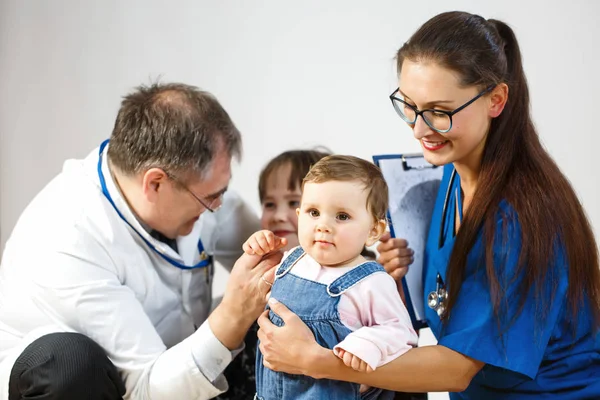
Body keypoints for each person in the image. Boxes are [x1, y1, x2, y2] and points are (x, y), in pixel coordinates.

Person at [255, 11, 600, 399]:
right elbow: (450, 303)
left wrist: (312, 360)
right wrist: (389, 282)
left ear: (496, 100)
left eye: (439, 111)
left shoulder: (517, 217)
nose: (419, 129)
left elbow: (456, 369)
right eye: (409, 105)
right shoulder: (454, 173)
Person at [0, 82, 281, 400]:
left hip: (173, 368)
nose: (219, 206)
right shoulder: (66, 237)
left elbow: (286, 268)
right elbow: (145, 388)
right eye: (210, 198)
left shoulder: (193, 188)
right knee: (68, 366)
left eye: (222, 192)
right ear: (156, 182)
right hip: (97, 384)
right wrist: (233, 314)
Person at [217, 149, 416, 400]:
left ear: (373, 230)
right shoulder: (292, 260)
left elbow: (400, 333)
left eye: (342, 216)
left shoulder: (371, 281)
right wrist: (257, 246)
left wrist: (366, 346)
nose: (322, 225)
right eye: (313, 212)